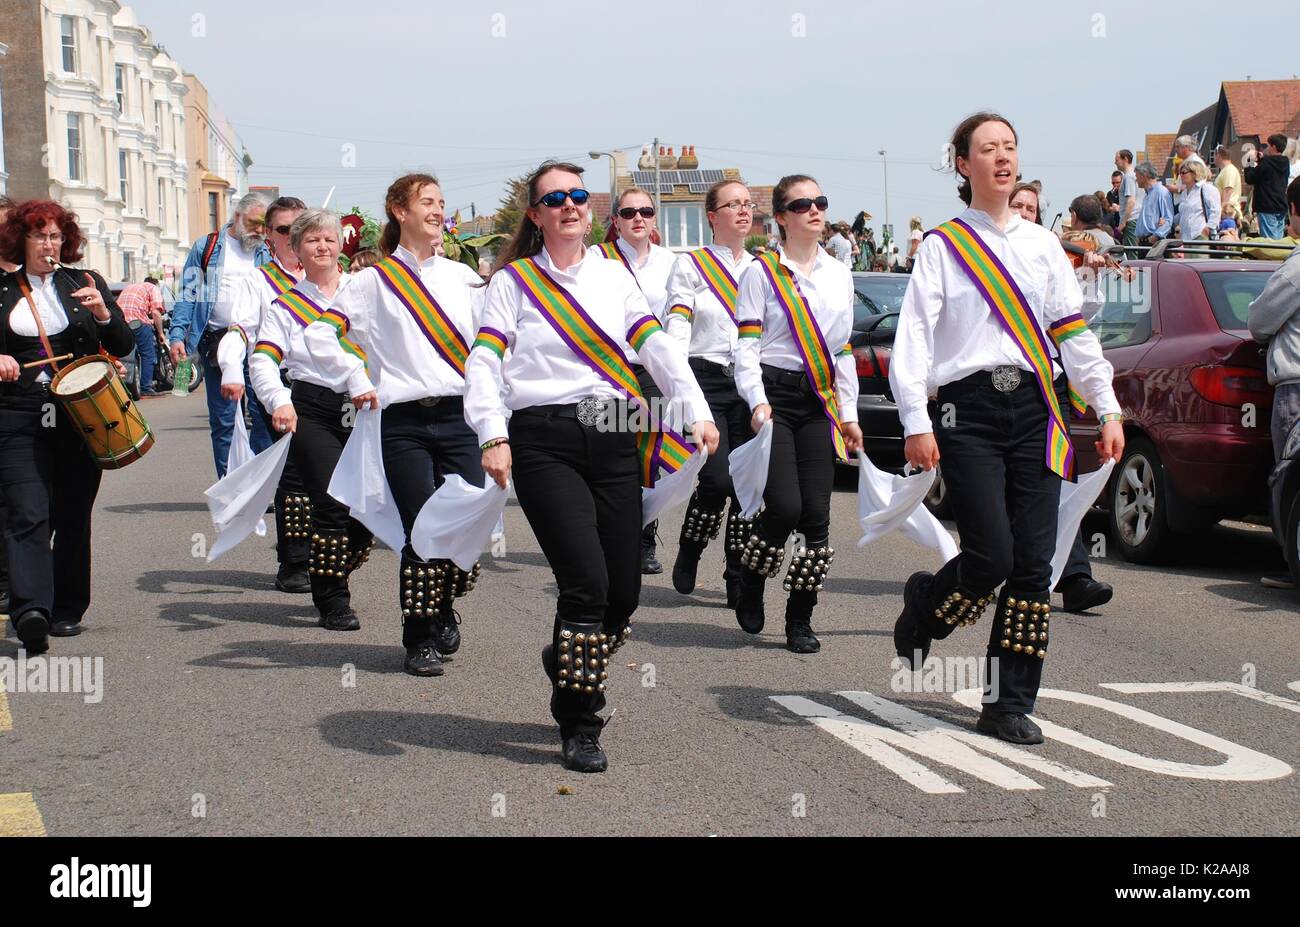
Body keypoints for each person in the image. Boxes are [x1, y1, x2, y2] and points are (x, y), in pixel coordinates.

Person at [465, 160, 718, 772]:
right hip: (543, 437)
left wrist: (695, 410)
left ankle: (570, 656)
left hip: (614, 431)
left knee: (624, 593)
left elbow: (657, 347)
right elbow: (484, 363)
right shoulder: (513, 282)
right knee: (585, 584)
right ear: (536, 215)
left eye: (579, 195)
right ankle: (581, 720)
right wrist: (492, 434)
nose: (570, 205)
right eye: (555, 199)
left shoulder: (614, 278)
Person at [890, 113, 1124, 745]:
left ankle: (1008, 702)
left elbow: (1071, 332)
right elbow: (913, 338)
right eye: (987, 149)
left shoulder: (1045, 245)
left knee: (1032, 563)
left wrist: (1106, 407)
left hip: (1036, 408)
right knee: (990, 554)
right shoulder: (942, 246)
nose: (1002, 158)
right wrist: (916, 419)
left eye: (1010, 148)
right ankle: (924, 614)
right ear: (962, 165)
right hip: (966, 412)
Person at [306, 173, 486, 678]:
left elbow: (498, 346)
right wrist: (356, 376)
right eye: (427, 201)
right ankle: (419, 637)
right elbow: (320, 337)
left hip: (459, 418)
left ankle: (443, 600)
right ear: (398, 211)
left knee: (467, 523)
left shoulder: (464, 279)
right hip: (403, 422)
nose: (437, 210)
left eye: (442, 202)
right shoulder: (370, 283)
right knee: (421, 529)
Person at [732, 175, 863, 653]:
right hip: (775, 395)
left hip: (818, 401)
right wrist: (756, 400)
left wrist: (848, 414)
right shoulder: (760, 273)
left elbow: (843, 350)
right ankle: (750, 572)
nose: (815, 210)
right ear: (782, 217)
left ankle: (801, 618)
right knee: (785, 506)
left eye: (820, 202)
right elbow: (745, 347)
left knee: (817, 517)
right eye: (802, 204)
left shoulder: (839, 272)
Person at [0, 200, 135, 653]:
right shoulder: (1, 289)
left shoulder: (84, 282)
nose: (48, 244)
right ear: (21, 240)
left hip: (79, 414)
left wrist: (102, 311)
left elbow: (122, 343)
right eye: (39, 235)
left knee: (73, 515)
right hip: (18, 413)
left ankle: (68, 608)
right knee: (28, 513)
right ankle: (31, 609)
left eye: (56, 236)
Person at [251, 209, 375, 628]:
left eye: (329, 238)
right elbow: (264, 360)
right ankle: (333, 600)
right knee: (331, 503)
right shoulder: (285, 306)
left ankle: (333, 568)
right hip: (313, 411)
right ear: (297, 250)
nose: (322, 246)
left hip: (367, 409)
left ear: (341, 243)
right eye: (311, 241)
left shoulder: (364, 290)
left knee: (365, 511)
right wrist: (278, 402)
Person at [664, 179, 757, 606]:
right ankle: (691, 545)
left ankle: (736, 572)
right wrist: (675, 378)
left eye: (747, 203)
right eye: (732, 204)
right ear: (712, 216)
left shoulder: (763, 267)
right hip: (707, 380)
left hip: (750, 383)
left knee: (747, 488)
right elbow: (678, 323)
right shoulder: (691, 265)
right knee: (717, 480)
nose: (743, 210)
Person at [214, 195, 312, 594]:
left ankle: (329, 559)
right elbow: (239, 332)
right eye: (283, 230)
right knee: (292, 476)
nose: (293, 238)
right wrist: (232, 370)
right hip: (274, 386)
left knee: (326, 474)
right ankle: (295, 560)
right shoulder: (258, 282)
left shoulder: (330, 279)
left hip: (324, 389)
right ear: (269, 237)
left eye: (299, 228)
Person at [590, 186, 679, 575]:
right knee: (614, 451)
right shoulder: (597, 258)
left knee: (650, 456)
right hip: (612, 370)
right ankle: (608, 533)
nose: (637, 218)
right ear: (616, 221)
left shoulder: (672, 262)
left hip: (652, 371)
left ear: (654, 218)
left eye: (645, 211)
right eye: (628, 213)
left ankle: (642, 538)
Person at [168, 191, 273, 477]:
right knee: (224, 419)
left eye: (265, 225)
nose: (260, 230)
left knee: (264, 417)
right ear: (237, 216)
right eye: (255, 223)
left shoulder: (267, 250)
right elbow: (187, 295)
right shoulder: (207, 247)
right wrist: (177, 335)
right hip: (217, 344)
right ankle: (230, 485)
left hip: (258, 344)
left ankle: (258, 485)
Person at [1248, 177, 1300, 590]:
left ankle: (1292, 563)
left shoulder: (1297, 267)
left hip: (1295, 386)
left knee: (1289, 476)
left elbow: (1259, 321)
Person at [1244, 134, 1292, 241]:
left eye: (1268, 146)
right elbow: (1270, 171)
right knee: (1278, 241)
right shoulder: (1285, 162)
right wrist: (1262, 159)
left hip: (1267, 206)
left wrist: (1249, 162)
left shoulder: (1267, 163)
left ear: (1274, 147)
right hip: (1281, 206)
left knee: (1268, 243)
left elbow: (1250, 178)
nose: (1266, 149)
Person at [1176, 159, 1222, 240]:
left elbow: (1216, 210)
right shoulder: (1184, 193)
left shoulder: (1206, 188)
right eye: (1179, 173)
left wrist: (1208, 228)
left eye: (1183, 172)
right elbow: (1182, 215)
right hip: (1186, 237)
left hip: (1200, 236)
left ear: (1194, 173)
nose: (1181, 176)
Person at [1134, 162, 1175, 245]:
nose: (1136, 179)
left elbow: (1168, 218)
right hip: (1145, 242)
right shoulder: (1148, 194)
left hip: (1153, 242)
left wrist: (1156, 236)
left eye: (1137, 176)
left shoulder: (1161, 192)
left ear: (1144, 175)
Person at [1114, 150, 1139, 246]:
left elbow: (1131, 201)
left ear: (1125, 159)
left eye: (1117, 160)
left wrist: (1123, 222)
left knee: (1131, 253)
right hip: (1134, 218)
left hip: (1130, 219)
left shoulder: (1128, 177)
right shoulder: (1134, 174)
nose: (1115, 163)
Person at [1213, 146, 1244, 224]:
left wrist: (1221, 213)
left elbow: (1227, 191)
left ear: (1218, 155)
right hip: (1228, 213)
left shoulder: (1229, 170)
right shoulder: (1226, 170)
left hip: (1228, 214)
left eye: (1214, 155)